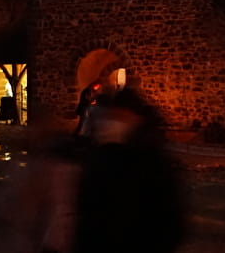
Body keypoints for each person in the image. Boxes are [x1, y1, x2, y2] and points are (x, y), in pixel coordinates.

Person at [74, 88, 184, 253]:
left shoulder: (152, 161)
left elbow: (168, 220)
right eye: (112, 117)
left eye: (120, 117)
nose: (113, 122)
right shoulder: (101, 157)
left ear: (135, 119)